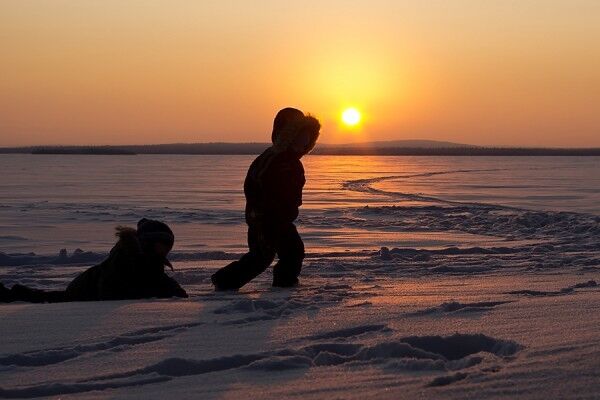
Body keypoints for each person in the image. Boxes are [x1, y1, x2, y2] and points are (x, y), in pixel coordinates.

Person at [211, 107, 320, 290]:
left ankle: (226, 281)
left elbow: (292, 190)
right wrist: (264, 212)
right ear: (287, 136)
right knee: (291, 252)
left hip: (274, 217)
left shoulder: (289, 160)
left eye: (307, 138)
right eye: (300, 137)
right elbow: (254, 187)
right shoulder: (275, 159)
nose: (304, 142)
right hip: (268, 218)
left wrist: (291, 205)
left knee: (261, 256)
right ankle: (284, 285)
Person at [0, 218, 188, 303]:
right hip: (84, 289)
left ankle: (18, 292)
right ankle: (15, 294)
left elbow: (159, 279)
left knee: (52, 297)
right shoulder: (125, 257)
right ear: (149, 243)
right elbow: (110, 292)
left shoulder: (150, 259)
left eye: (167, 247)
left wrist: (174, 291)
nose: (165, 251)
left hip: (90, 287)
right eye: (162, 246)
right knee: (53, 300)